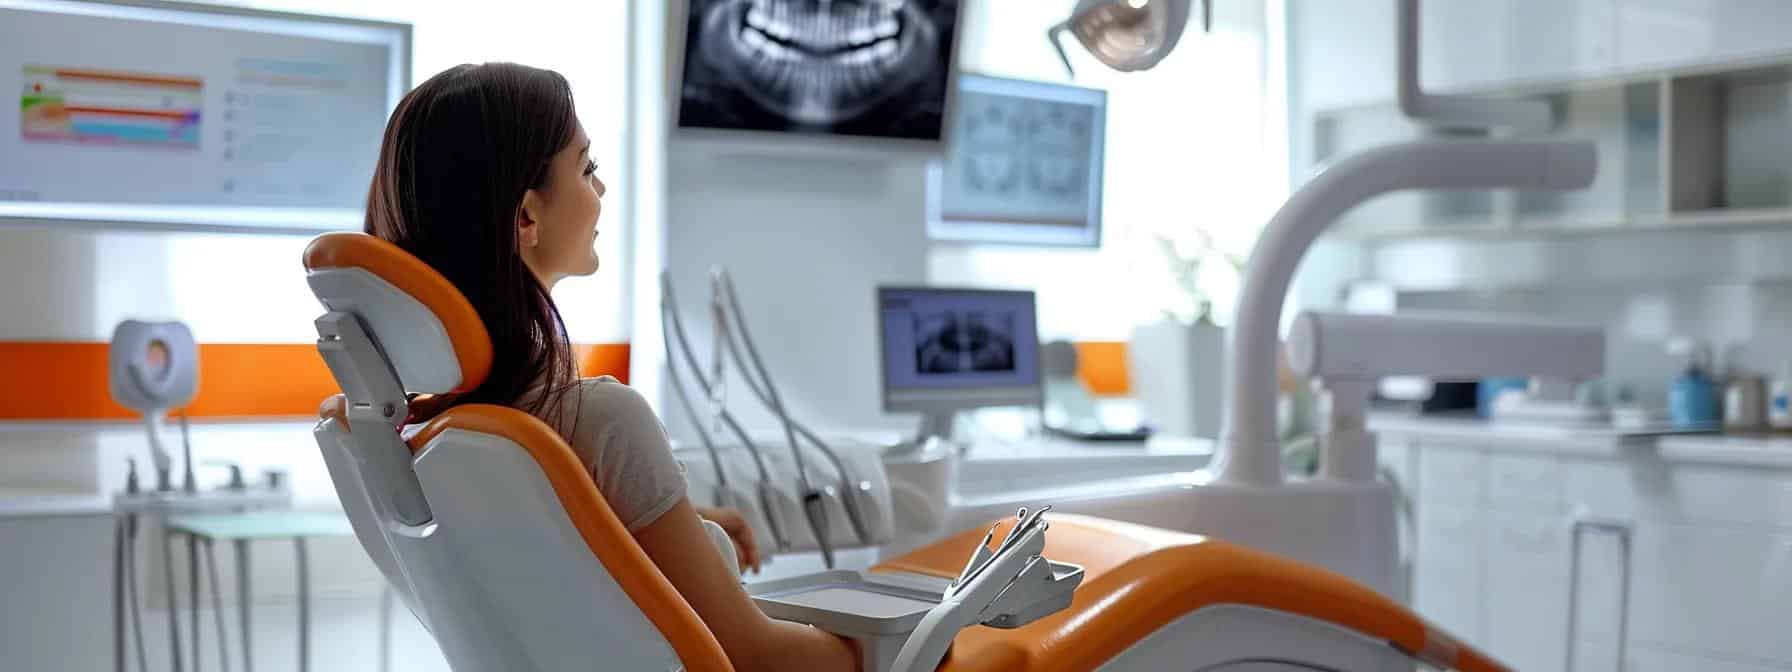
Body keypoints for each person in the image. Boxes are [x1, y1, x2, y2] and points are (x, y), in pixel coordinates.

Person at [363, 62, 859, 672]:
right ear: (526, 217)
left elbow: (556, 546)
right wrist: (920, 643)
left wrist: (683, 522)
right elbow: (756, 657)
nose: (600, 191)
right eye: (587, 168)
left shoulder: (443, 433)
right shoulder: (598, 417)